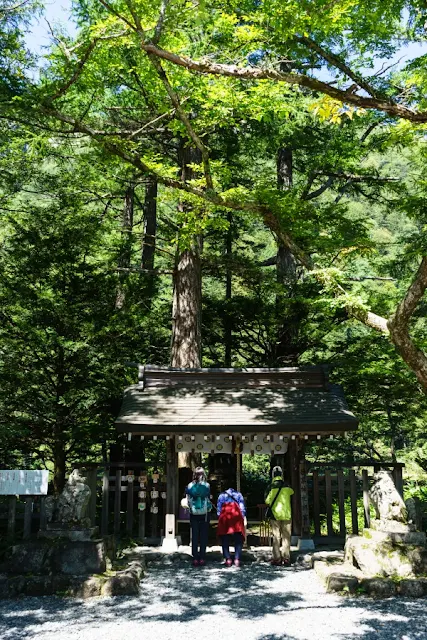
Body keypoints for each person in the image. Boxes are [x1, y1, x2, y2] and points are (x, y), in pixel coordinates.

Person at [265, 466, 294, 566]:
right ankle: (286, 558)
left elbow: (267, 501)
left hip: (275, 514)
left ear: (273, 475)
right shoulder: (287, 485)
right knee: (286, 536)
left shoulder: (271, 487)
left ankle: (277, 558)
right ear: (281, 475)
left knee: (276, 536)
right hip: (286, 514)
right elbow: (292, 492)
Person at [185, 467, 211, 567]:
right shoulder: (207, 485)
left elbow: (187, 500)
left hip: (193, 513)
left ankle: (195, 558)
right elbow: (208, 498)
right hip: (204, 513)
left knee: (195, 535)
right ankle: (202, 557)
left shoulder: (190, 486)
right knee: (203, 535)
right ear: (203, 474)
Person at [217, 483, 246, 567]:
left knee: (224, 538)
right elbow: (242, 508)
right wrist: (242, 517)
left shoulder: (221, 496)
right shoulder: (239, 495)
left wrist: (220, 517)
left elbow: (219, 509)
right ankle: (237, 559)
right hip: (236, 517)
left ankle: (228, 559)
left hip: (225, 517)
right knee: (238, 538)